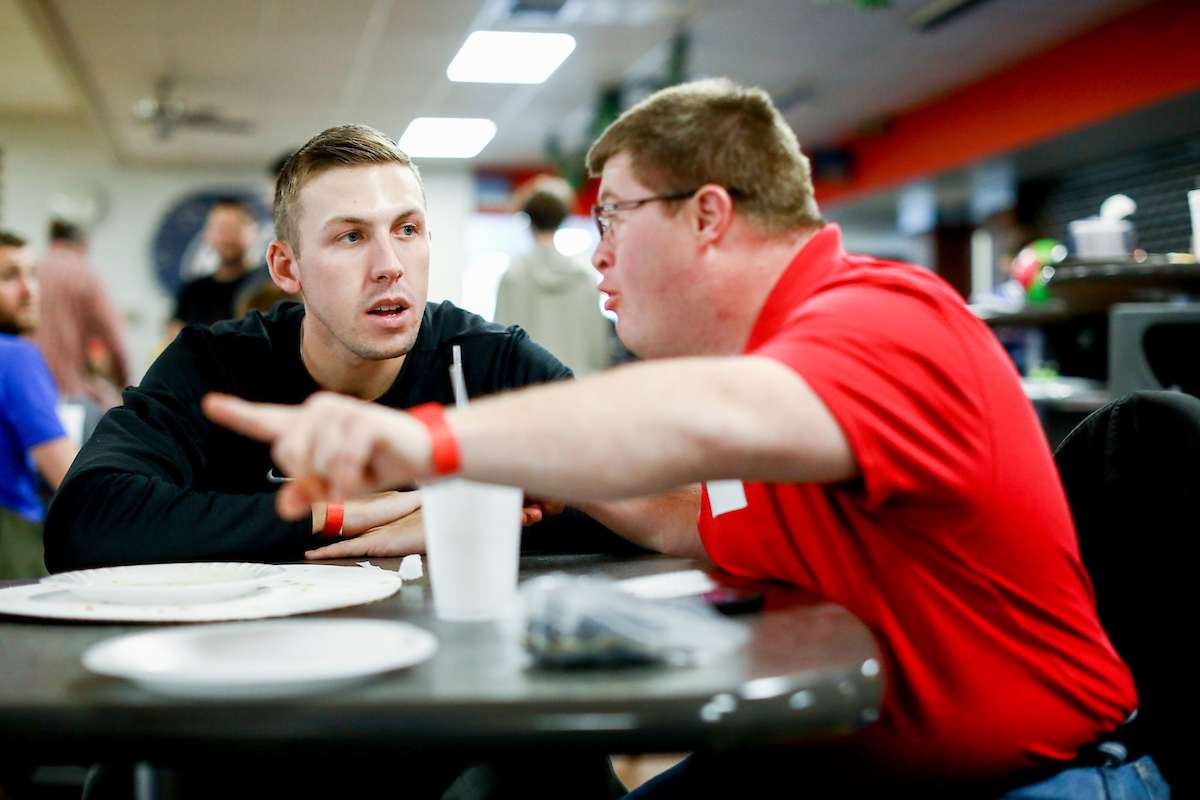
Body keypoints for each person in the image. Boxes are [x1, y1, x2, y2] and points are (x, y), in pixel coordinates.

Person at [206, 80, 1165, 799]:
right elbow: (685, 519)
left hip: (1038, 787)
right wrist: (505, 492)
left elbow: (703, 417)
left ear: (709, 215)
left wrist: (431, 444)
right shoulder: (794, 365)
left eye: (614, 217)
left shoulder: (884, 318)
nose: (597, 256)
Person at [43, 124, 587, 573]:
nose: (389, 265)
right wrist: (335, 515)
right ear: (286, 267)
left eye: (406, 229)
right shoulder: (215, 365)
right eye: (350, 236)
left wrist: (457, 515)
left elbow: (663, 494)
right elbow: (83, 522)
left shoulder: (489, 359)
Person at [0, 231, 76, 579]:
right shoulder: (15, 357)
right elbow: (74, 479)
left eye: (33, 274)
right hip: (12, 545)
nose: (30, 290)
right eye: (9, 276)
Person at [494, 181, 612, 376]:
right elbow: (597, 345)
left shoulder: (514, 275)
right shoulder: (585, 276)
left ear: (529, 220)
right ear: (562, 219)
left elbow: (501, 342)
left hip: (528, 389)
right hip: (577, 385)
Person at [29, 220, 130, 415]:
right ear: (83, 244)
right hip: (72, 395)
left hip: (28, 392)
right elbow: (114, 336)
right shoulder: (85, 276)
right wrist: (124, 384)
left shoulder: (30, 273)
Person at [168, 198, 269, 334]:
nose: (227, 237)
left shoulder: (266, 287)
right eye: (221, 229)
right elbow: (175, 341)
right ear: (208, 233)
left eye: (235, 229)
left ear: (254, 232)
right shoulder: (191, 292)